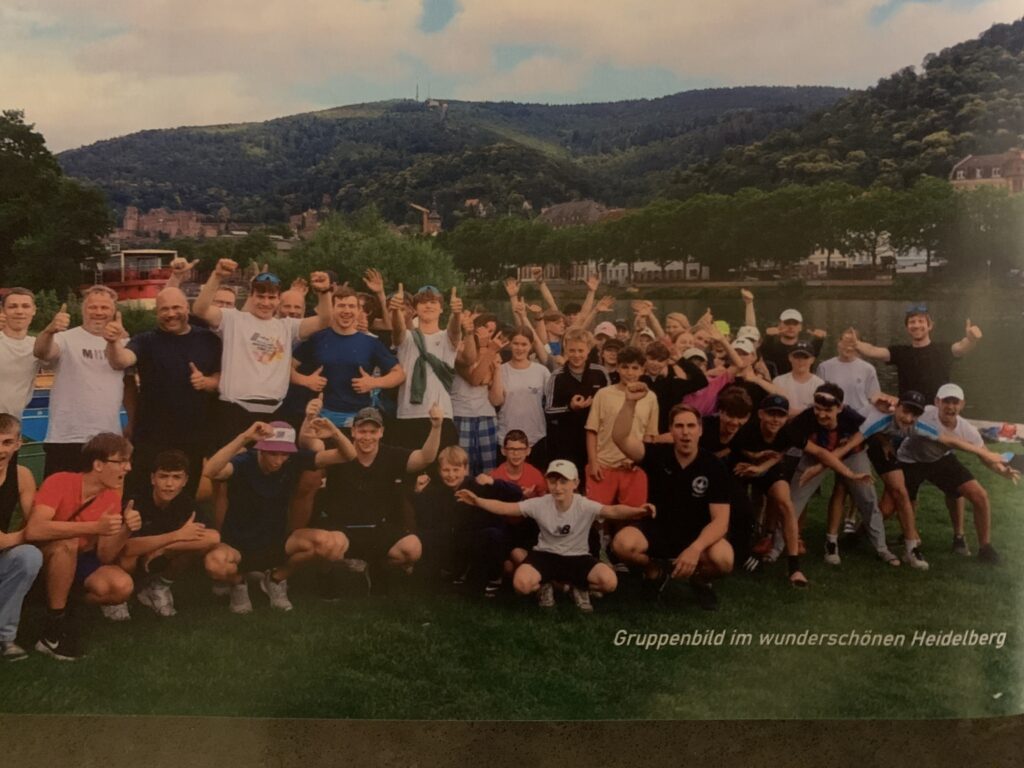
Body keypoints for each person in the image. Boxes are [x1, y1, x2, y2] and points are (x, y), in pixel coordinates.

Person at [455, 459, 654, 613]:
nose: (557, 487)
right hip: (545, 556)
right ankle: (548, 586)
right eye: (552, 480)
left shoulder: (584, 504)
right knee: (521, 585)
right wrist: (478, 501)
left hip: (578, 557)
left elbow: (613, 511)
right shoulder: (540, 503)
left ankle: (576, 587)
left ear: (575, 483)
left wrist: (638, 511)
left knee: (609, 582)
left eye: (563, 481)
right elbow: (507, 507)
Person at [201, 419, 354, 614]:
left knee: (331, 544)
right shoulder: (244, 462)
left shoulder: (293, 459)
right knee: (215, 564)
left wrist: (334, 433)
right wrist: (245, 437)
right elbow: (210, 471)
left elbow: (348, 455)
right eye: (273, 453)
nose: (278, 460)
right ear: (261, 449)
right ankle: (238, 584)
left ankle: (276, 579)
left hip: (277, 542)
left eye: (284, 454)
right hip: (238, 544)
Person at [611, 396, 735, 609]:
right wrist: (630, 402)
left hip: (696, 534)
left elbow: (721, 522)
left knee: (724, 559)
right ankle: (654, 572)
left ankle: (700, 580)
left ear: (700, 430)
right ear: (671, 431)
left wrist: (695, 549)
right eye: (679, 426)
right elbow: (620, 438)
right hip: (658, 528)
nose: (685, 432)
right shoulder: (657, 454)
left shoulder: (714, 466)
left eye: (690, 426)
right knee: (622, 543)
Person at [25, 433, 141, 660]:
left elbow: (105, 555)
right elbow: (34, 530)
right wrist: (94, 527)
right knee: (67, 544)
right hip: (43, 554)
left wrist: (127, 528)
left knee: (121, 586)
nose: (128, 468)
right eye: (121, 461)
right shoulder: (60, 481)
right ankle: (53, 630)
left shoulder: (110, 497)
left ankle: (63, 602)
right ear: (98, 464)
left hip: (80, 558)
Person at [192, 259, 333, 443]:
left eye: (271, 297)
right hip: (234, 410)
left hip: (274, 411)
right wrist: (217, 276)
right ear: (251, 296)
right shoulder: (233, 319)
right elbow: (200, 310)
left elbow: (325, 321)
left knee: (268, 468)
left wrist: (323, 292)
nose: (266, 302)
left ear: (278, 299)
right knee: (230, 468)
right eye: (260, 296)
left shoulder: (287, 327)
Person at [105, 287, 222, 496]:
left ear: (187, 307)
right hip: (151, 433)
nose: (170, 314)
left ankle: (180, 527)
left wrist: (207, 382)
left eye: (176, 307)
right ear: (157, 313)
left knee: (186, 490)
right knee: (142, 490)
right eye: (164, 309)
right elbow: (121, 360)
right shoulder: (145, 341)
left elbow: (221, 378)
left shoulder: (209, 340)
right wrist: (113, 343)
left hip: (193, 433)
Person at [316, 404, 442, 597]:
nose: (367, 437)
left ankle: (377, 568)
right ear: (353, 431)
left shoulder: (391, 454)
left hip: (378, 528)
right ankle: (328, 576)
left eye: (373, 431)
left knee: (412, 549)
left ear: (381, 432)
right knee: (327, 544)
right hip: (341, 528)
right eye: (362, 431)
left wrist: (436, 426)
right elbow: (311, 453)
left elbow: (425, 458)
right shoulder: (339, 454)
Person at [896, 383, 1019, 563]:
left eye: (955, 402)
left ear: (962, 405)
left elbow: (984, 455)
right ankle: (909, 537)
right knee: (906, 500)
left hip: (940, 459)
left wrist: (1001, 470)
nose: (950, 407)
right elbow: (899, 410)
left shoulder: (967, 429)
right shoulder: (923, 412)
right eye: (946, 401)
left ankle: (984, 548)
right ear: (937, 402)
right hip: (910, 460)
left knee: (980, 495)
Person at [785, 383, 902, 568]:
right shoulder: (804, 419)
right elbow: (813, 450)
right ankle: (776, 548)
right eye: (817, 409)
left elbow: (868, 429)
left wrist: (883, 441)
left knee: (867, 498)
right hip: (817, 454)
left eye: (827, 410)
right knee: (793, 498)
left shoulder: (851, 416)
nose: (821, 415)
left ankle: (882, 548)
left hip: (851, 454)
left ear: (840, 407)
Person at [114, 450, 221, 617]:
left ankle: (159, 586)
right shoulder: (136, 501)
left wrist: (163, 549)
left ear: (185, 481)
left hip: (159, 557)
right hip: (132, 558)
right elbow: (125, 548)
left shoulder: (185, 503)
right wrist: (176, 536)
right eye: (163, 476)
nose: (169, 484)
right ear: (152, 479)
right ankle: (120, 597)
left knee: (201, 543)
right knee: (127, 558)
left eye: (176, 477)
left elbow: (213, 536)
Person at [34, 287, 128, 475]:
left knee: (103, 501)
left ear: (114, 311)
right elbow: (42, 352)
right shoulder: (65, 339)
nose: (99, 312)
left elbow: (125, 372)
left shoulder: (124, 343)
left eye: (104, 308)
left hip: (107, 437)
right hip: (66, 436)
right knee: (60, 500)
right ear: (83, 310)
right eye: (93, 307)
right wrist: (49, 331)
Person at [415, 445, 523, 597]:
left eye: (456, 469)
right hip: (460, 541)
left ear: (465, 469)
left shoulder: (478, 484)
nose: (451, 475)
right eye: (446, 470)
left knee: (492, 535)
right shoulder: (438, 490)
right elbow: (424, 518)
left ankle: (493, 578)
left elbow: (517, 494)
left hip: (486, 541)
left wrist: (493, 482)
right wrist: (419, 493)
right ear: (440, 471)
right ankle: (455, 573)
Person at [291, 285, 404, 429]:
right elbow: (287, 367)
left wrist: (374, 383)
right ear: (332, 309)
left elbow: (399, 374)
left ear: (358, 311)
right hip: (322, 416)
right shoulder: (317, 339)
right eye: (341, 306)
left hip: (359, 420)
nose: (346, 311)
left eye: (351, 306)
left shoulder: (370, 343)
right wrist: (305, 380)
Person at [726, 395, 807, 586]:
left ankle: (794, 567)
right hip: (741, 468)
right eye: (771, 414)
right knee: (742, 510)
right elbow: (735, 450)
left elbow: (817, 452)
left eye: (780, 415)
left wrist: (849, 473)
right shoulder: (746, 429)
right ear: (761, 414)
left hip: (767, 469)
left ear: (786, 417)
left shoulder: (788, 432)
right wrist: (755, 457)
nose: (775, 419)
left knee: (786, 503)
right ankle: (740, 552)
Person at [851, 305, 982, 401]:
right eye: (912, 322)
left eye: (921, 321)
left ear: (930, 326)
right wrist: (856, 344)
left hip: (937, 410)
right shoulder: (900, 352)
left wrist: (971, 339)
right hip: (908, 412)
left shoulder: (943, 350)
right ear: (907, 327)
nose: (916, 325)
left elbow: (961, 348)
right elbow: (873, 351)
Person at [389, 284, 463, 451]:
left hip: (441, 416)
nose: (428, 305)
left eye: (433, 302)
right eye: (423, 302)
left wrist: (457, 313)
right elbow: (398, 329)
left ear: (441, 309)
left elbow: (455, 330)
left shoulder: (446, 338)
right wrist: (395, 311)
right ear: (415, 309)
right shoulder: (407, 338)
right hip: (408, 416)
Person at [585, 347, 659, 511]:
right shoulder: (603, 394)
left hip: (632, 469)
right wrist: (593, 462)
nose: (629, 372)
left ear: (642, 370)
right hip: (603, 466)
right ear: (617, 367)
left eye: (635, 368)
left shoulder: (651, 397)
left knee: (631, 517)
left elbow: (649, 435)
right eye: (625, 367)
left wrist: (637, 460)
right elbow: (592, 430)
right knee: (597, 515)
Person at [543, 328, 608, 489]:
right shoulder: (556, 376)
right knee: (568, 484)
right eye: (572, 350)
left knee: (594, 485)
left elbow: (611, 404)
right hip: (565, 441)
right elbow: (548, 409)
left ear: (588, 350)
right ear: (565, 349)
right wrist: (570, 407)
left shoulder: (600, 373)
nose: (576, 355)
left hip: (595, 441)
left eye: (581, 350)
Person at [0, 414, 42, 660]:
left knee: (29, 556)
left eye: (7, 442)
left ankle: (5, 637)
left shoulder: (22, 475)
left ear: (18, 444)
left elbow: (35, 523)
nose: (0, 449)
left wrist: (13, 539)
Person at [451, 313, 504, 476]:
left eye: (492, 331)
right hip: (462, 415)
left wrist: (492, 361)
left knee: (488, 471)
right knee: (462, 469)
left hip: (486, 416)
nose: (489, 335)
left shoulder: (495, 353)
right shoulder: (460, 348)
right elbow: (475, 379)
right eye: (485, 329)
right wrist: (485, 350)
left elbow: (492, 390)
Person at [493, 325, 551, 455]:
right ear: (510, 344)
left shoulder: (541, 371)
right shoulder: (500, 370)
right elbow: (496, 401)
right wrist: (496, 369)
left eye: (524, 344)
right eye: (516, 344)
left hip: (536, 437)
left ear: (531, 345)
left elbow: (551, 401)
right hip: (507, 439)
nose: (520, 348)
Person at [816, 328, 881, 415]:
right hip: (833, 417)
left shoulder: (868, 369)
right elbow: (818, 397)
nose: (848, 347)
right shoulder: (824, 367)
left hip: (859, 417)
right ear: (838, 343)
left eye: (852, 343)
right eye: (845, 342)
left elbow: (874, 398)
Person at [0, 288, 41, 420]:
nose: (19, 311)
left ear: (34, 310)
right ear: (2, 310)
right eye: (12, 306)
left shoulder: (37, 346)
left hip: (12, 423)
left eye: (25, 306)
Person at [759, 308, 825, 377]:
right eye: (787, 323)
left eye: (795, 324)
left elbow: (816, 346)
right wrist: (768, 337)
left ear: (800, 327)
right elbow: (764, 350)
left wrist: (820, 338)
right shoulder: (771, 348)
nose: (791, 327)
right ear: (779, 325)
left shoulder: (808, 349)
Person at [771, 341, 824, 417]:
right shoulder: (778, 381)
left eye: (805, 357)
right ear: (790, 358)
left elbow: (820, 412)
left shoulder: (819, 384)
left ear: (812, 360)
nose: (801, 361)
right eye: (797, 356)